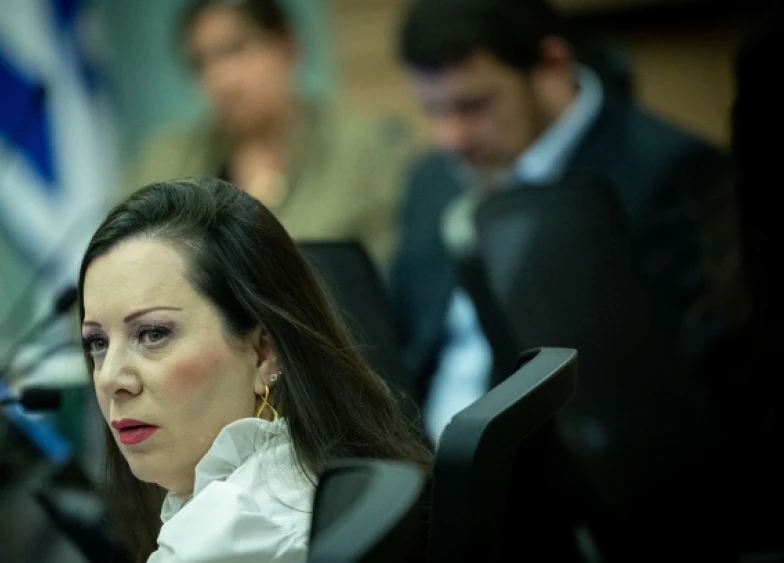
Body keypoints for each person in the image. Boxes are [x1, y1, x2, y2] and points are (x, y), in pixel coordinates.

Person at [390, 0, 741, 438]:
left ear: (553, 65)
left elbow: (667, 396)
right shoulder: (433, 177)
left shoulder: (668, 173)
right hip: (422, 466)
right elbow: (403, 341)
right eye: (434, 110)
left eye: (473, 105)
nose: (450, 137)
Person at [78, 178, 432, 562]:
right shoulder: (309, 482)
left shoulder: (230, 538)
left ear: (264, 353)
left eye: (152, 334)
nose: (111, 378)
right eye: (97, 343)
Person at [127, 0, 412, 270]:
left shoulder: (365, 149)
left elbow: (389, 280)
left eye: (236, 49)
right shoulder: (166, 162)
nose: (221, 79)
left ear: (288, 47)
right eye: (202, 62)